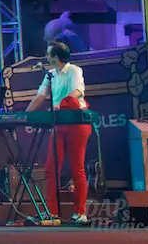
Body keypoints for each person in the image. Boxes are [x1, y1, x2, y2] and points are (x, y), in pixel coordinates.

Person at [25, 41, 92, 224]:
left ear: (55, 57)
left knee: (77, 167)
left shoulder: (74, 70)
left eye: (48, 54)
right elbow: (40, 96)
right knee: (51, 168)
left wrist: (60, 105)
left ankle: (81, 212)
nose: (46, 57)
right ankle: (52, 211)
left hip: (76, 122)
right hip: (59, 123)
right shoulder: (51, 74)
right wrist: (25, 115)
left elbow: (77, 91)